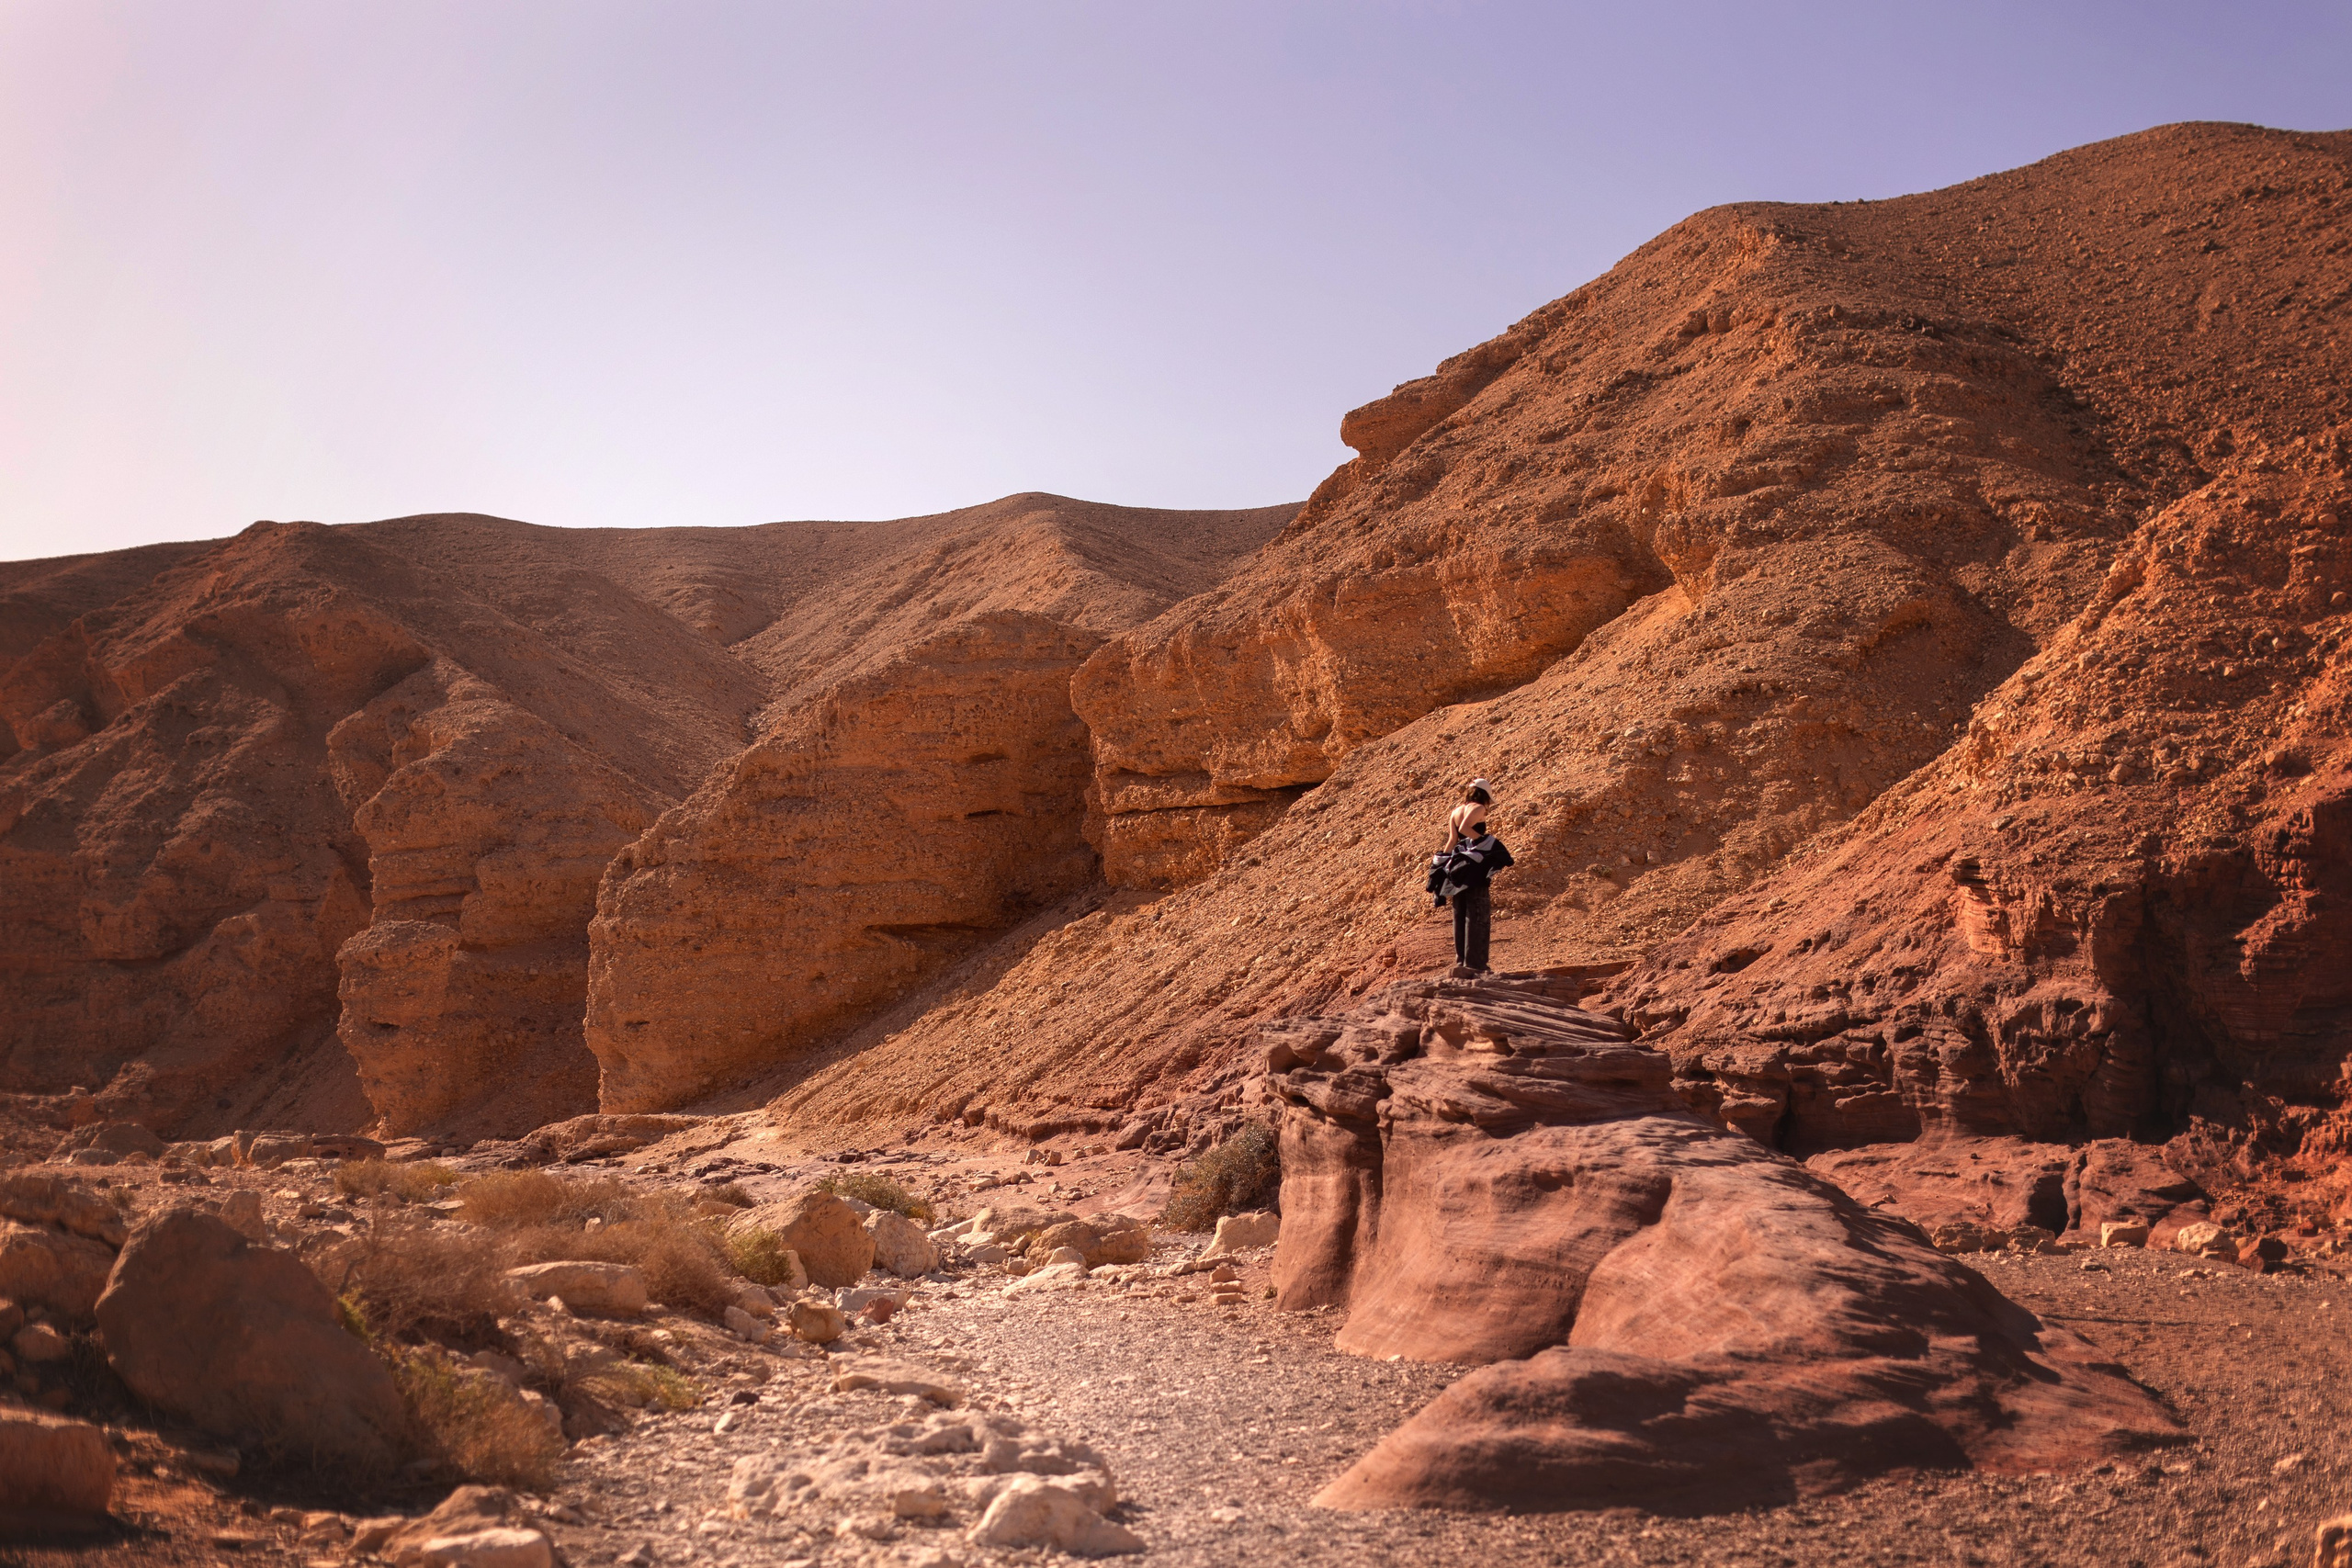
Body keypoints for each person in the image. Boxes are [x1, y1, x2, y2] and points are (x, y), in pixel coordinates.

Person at [1427, 780, 1513, 974]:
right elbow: (1466, 829)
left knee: (1460, 913)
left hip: (1457, 870)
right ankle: (1476, 965)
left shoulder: (1456, 811)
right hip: (1473, 869)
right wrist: (1485, 842)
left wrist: (1442, 864)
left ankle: (1461, 962)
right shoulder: (1478, 807)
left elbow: (1452, 840)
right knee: (1477, 914)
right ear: (1484, 796)